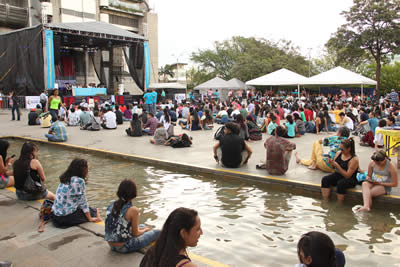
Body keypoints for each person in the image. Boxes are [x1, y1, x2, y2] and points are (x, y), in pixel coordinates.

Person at [105, 179, 160, 253]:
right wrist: (144, 230)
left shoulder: (112, 204)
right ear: (134, 193)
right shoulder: (133, 210)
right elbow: (135, 233)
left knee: (142, 225)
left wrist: (143, 229)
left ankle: (144, 229)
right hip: (123, 247)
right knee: (157, 232)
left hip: (111, 244)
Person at [52, 159, 101, 227]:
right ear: (83, 170)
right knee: (95, 211)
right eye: (87, 168)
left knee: (90, 210)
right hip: (65, 219)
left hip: (55, 217)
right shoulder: (79, 181)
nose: (88, 170)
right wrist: (89, 218)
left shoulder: (65, 177)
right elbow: (83, 202)